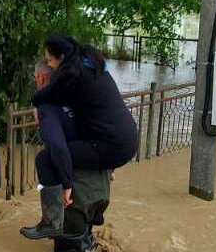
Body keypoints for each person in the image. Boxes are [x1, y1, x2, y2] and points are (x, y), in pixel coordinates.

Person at [30, 34, 139, 172]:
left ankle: (66, 191)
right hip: (128, 138)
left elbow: (39, 97)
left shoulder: (72, 75)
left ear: (62, 57)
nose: (49, 65)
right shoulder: (90, 64)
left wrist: (38, 107)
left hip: (113, 147)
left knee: (45, 159)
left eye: (50, 60)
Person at [20, 58, 79, 240]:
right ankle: (55, 225)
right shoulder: (73, 91)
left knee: (44, 160)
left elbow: (58, 146)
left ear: (41, 78)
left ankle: (52, 223)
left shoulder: (46, 102)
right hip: (97, 153)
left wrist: (67, 185)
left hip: (74, 157)